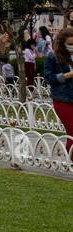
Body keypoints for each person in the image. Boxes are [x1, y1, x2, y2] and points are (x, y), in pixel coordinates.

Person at [43, 27, 73, 155]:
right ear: (62, 44)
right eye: (70, 44)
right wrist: (68, 75)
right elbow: (48, 77)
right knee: (72, 130)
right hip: (63, 99)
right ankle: (71, 159)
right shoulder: (53, 56)